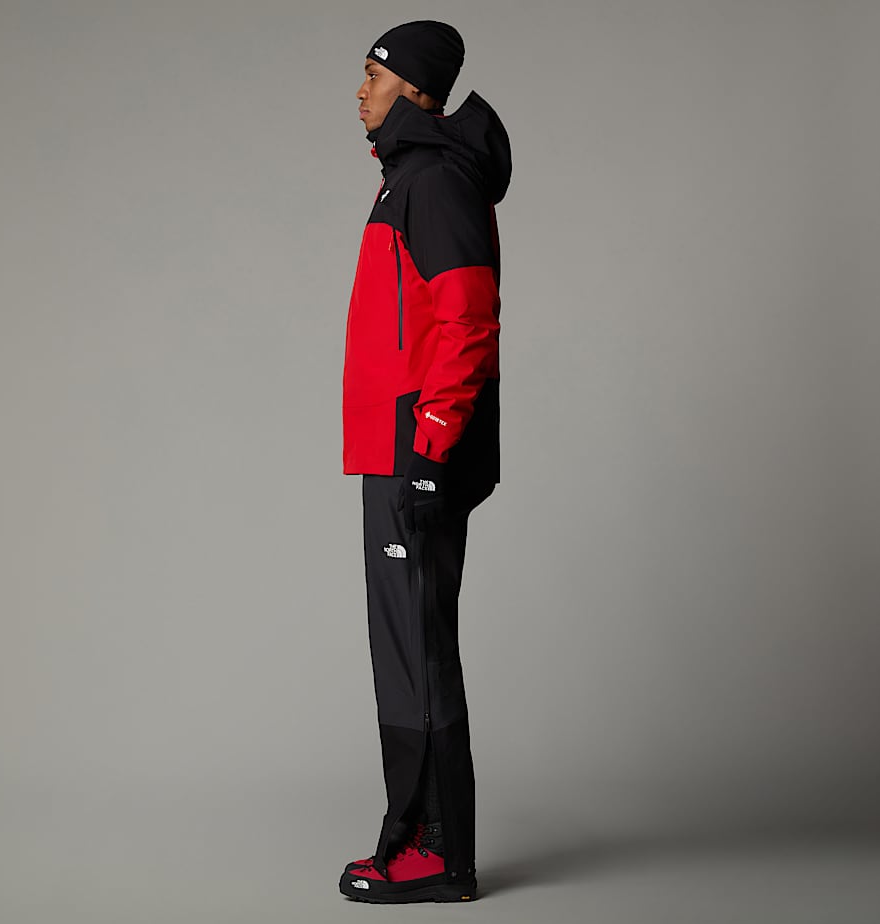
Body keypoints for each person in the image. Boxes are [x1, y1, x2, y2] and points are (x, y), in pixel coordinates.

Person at [338, 20, 511, 905]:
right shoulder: (406, 178)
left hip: (419, 452)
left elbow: (467, 316)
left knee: (418, 651)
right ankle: (416, 837)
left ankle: (435, 852)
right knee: (405, 650)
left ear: (414, 90)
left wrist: (432, 448)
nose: (358, 91)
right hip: (396, 449)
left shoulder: (435, 181)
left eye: (372, 76)